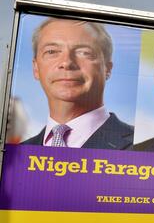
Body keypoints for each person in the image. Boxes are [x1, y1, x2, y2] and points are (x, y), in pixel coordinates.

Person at [22, 17, 133, 150]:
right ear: (36, 68)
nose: (67, 63)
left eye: (84, 52)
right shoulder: (15, 154)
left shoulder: (142, 148)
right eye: (51, 51)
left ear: (107, 68)